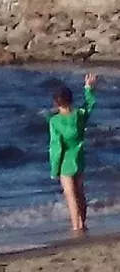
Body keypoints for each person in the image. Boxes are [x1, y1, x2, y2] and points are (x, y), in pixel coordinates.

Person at [49, 74, 97, 233]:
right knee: (80, 192)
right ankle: (82, 222)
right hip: (79, 158)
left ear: (56, 102)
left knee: (70, 195)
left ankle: (76, 226)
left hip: (65, 162)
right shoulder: (79, 115)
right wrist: (88, 89)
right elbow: (90, 104)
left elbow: (56, 147)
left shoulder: (55, 121)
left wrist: (54, 169)